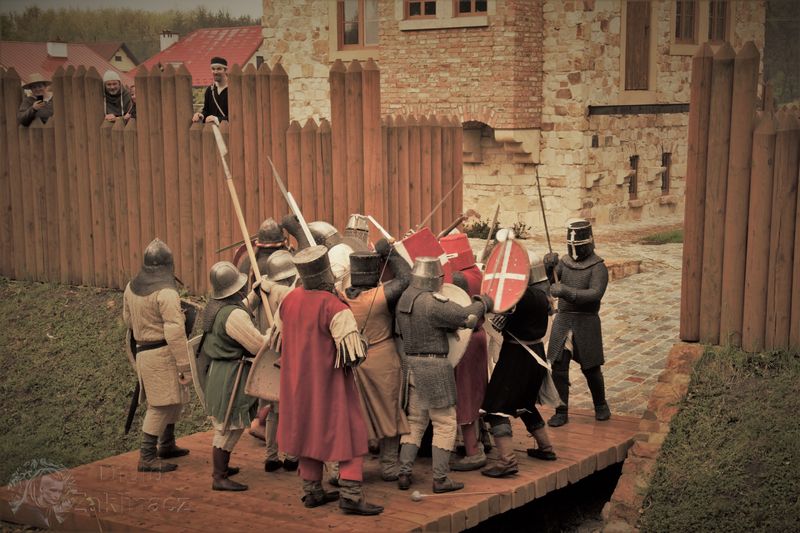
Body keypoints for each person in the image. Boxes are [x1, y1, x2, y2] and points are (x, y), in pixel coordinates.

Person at [277, 245, 383, 515]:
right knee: (350, 432)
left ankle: (312, 491)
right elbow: (353, 356)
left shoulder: (289, 300)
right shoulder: (334, 306)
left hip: (297, 383)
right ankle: (351, 495)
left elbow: (278, 340)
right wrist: (363, 343)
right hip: (329, 384)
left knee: (306, 432)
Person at [395, 257, 492, 494]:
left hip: (411, 366)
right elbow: (466, 317)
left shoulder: (404, 298)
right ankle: (440, 478)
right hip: (434, 368)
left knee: (415, 421)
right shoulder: (432, 303)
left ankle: (404, 472)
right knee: (445, 423)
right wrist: (483, 303)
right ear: (435, 278)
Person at [481, 250, 560, 477]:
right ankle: (546, 448)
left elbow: (496, 322)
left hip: (517, 357)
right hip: (536, 355)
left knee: (495, 407)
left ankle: (507, 461)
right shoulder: (543, 296)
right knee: (525, 403)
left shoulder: (517, 299)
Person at [341, 240, 411, 482]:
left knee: (353, 415)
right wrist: (388, 251)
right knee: (389, 410)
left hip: (352, 361)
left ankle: (348, 468)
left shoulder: (340, 298)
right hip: (382, 360)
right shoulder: (380, 297)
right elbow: (406, 278)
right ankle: (389, 465)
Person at [122, 239, 191, 473]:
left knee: (173, 399)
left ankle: (167, 444)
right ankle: (147, 456)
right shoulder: (166, 293)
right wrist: (184, 364)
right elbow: (174, 330)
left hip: (145, 352)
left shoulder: (131, 287)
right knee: (160, 406)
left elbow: (128, 321)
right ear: (168, 265)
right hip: (161, 354)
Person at [200, 261, 270, 491]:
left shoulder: (216, 306)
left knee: (228, 424)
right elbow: (256, 345)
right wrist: (273, 334)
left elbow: (238, 309)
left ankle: (223, 468)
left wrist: (254, 296)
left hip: (220, 371)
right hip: (231, 375)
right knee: (228, 426)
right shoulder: (233, 315)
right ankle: (219, 476)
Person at [546, 219, 611, 427]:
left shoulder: (598, 267)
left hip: (586, 321)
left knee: (591, 368)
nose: (575, 250)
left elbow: (595, 294)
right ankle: (561, 410)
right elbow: (551, 283)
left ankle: (600, 405)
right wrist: (548, 268)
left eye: (578, 245)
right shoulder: (564, 263)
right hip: (564, 319)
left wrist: (567, 291)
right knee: (558, 366)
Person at [439, 232, 490, 472]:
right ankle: (481, 441)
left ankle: (472, 451)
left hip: (464, 341)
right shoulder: (477, 272)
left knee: (466, 396)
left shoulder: (459, 278)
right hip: (478, 338)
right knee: (476, 392)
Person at [246, 250, 300, 473]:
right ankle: (291, 456)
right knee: (290, 408)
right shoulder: (286, 293)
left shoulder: (260, 289)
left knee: (273, 408)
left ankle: (271, 456)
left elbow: (245, 308)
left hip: (265, 354)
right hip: (282, 354)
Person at [192, 57, 228, 124]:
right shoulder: (210, 90)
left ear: (225, 70)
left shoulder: (233, 89)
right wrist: (201, 116)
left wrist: (217, 119)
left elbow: (236, 115)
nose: (215, 72)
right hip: (211, 129)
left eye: (219, 69)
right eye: (213, 69)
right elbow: (206, 110)